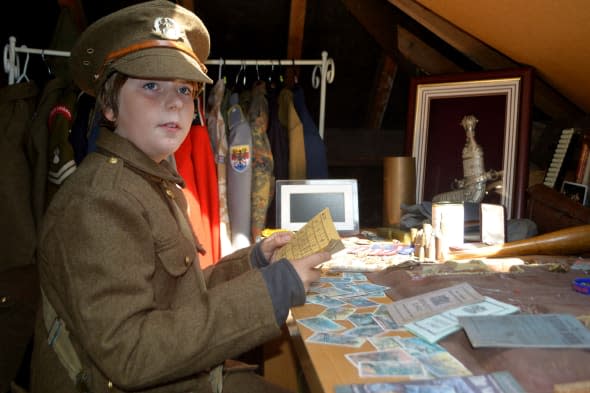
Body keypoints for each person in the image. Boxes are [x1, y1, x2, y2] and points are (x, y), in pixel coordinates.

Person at [30, 1, 330, 392]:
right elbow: (132, 353)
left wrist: (254, 263)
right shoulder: (98, 202)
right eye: (151, 86)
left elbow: (176, 295)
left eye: (185, 89)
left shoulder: (148, 180)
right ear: (108, 104)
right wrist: (270, 291)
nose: (175, 102)